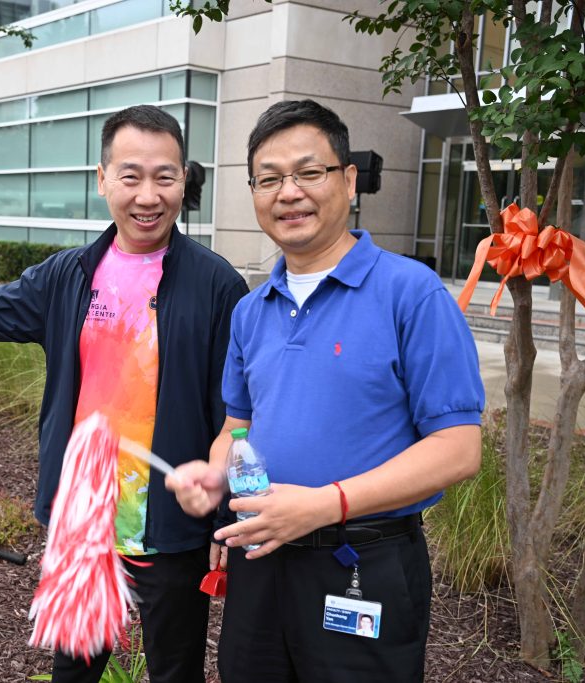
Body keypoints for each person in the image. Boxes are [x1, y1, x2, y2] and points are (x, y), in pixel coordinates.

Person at [0, 105, 248, 683]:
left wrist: (224, 519)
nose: (148, 195)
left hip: (172, 526)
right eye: (130, 175)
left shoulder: (217, 285)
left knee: (175, 670)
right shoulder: (70, 275)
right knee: (74, 671)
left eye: (165, 176)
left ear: (185, 180)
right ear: (102, 178)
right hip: (83, 519)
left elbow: (234, 414)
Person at [166, 99, 485, 682]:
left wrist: (321, 505)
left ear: (349, 180)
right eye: (269, 179)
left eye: (309, 172)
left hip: (364, 561)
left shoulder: (411, 293)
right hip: (261, 557)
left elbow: (458, 449)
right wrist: (215, 477)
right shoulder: (250, 311)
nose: (289, 192)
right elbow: (239, 430)